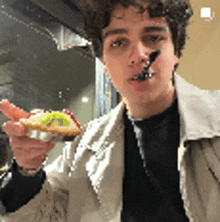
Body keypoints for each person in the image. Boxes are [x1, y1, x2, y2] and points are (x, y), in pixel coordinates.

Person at [0, 0, 219, 221]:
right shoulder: (81, 148)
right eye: (119, 42)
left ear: (176, 51)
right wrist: (26, 169)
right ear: (103, 61)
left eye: (153, 38)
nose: (138, 55)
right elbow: (42, 215)